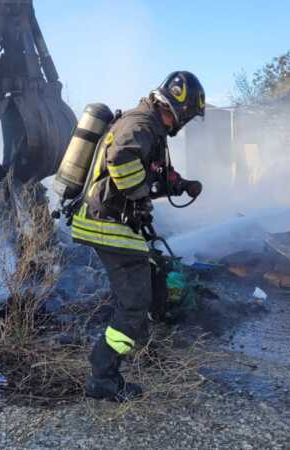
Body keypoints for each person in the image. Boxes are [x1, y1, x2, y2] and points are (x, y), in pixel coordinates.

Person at [71, 71, 205, 402]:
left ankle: (133, 346)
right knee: (134, 305)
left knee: (147, 286)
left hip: (115, 224)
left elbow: (157, 172)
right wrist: (141, 192)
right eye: (187, 114)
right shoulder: (142, 124)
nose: (185, 122)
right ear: (178, 105)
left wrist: (181, 184)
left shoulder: (152, 129)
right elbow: (121, 159)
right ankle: (102, 376)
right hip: (108, 224)